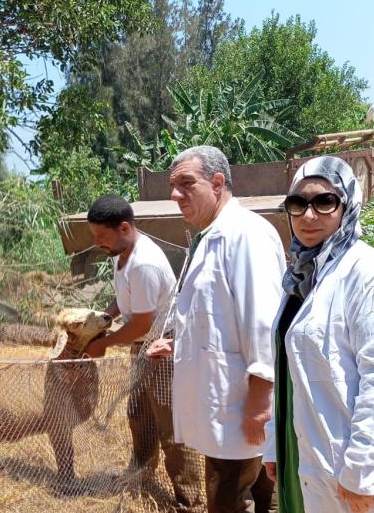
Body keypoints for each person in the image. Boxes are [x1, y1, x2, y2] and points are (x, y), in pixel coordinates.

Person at [262, 156, 374, 513]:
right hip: (302, 455)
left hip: (351, 468)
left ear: (348, 204)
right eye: (297, 204)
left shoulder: (370, 275)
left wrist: (364, 470)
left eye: (324, 202)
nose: (308, 215)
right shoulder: (300, 278)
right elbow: (286, 368)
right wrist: (276, 445)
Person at [146, 145, 284, 513]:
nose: (175, 195)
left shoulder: (246, 236)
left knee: (227, 499)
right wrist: (180, 345)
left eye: (186, 184)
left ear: (218, 183)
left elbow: (263, 320)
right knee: (261, 492)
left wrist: (259, 402)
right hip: (223, 403)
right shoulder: (209, 236)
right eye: (172, 187)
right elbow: (217, 315)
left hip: (239, 405)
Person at [84, 195, 204, 511]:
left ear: (124, 227)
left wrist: (102, 344)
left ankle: (188, 500)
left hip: (161, 350)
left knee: (171, 428)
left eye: (101, 236)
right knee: (139, 414)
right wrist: (104, 319)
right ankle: (140, 477)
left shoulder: (144, 263)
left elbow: (140, 324)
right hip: (142, 349)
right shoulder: (120, 250)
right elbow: (125, 300)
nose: (97, 243)